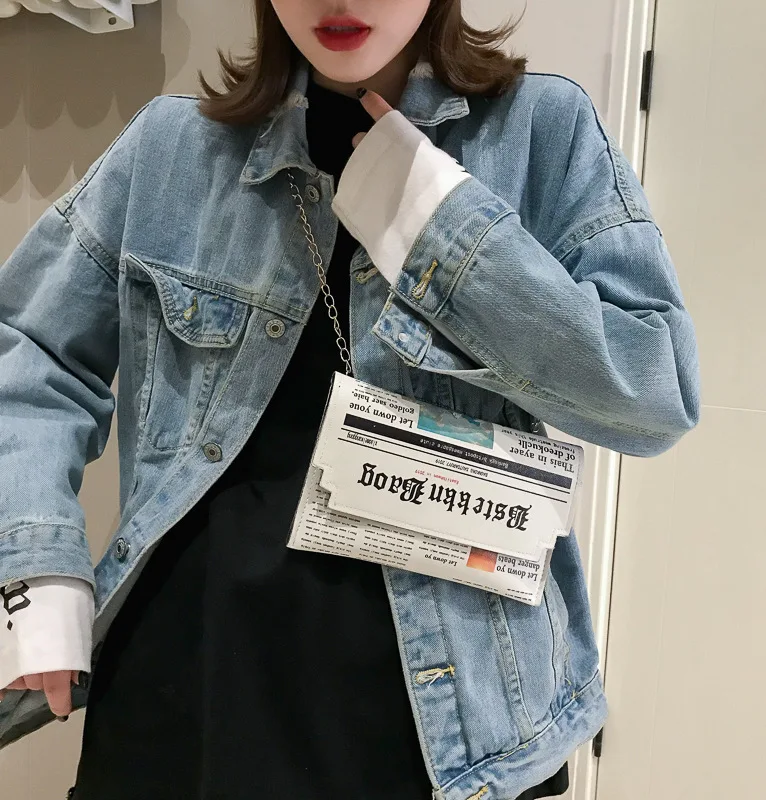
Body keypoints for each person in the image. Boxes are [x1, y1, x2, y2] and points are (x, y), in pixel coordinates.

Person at [0, 1, 701, 798]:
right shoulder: (174, 147)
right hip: (190, 693)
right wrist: (37, 565)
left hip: (446, 735)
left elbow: (654, 391)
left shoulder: (541, 133)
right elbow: (28, 348)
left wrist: (441, 227)